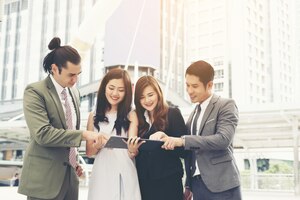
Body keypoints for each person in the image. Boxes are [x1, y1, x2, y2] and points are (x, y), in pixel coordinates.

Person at [18, 37, 104, 200]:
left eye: (78, 74)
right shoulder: (35, 92)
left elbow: (67, 133)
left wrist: (74, 162)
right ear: (54, 68)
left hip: (70, 179)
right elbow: (42, 134)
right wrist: (83, 135)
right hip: (44, 181)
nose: (75, 80)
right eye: (71, 75)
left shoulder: (75, 93)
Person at [153, 60, 242, 200]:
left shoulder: (225, 105)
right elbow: (191, 151)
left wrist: (181, 141)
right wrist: (188, 185)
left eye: (194, 86)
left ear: (210, 85)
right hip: (198, 186)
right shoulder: (194, 113)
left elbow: (223, 139)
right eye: (187, 85)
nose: (189, 91)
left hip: (222, 185)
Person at [128, 75, 187, 200]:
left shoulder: (172, 114)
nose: (147, 100)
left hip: (168, 182)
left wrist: (168, 139)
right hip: (144, 183)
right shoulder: (138, 120)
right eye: (142, 97)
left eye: (150, 95)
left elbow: (185, 151)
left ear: (158, 93)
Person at [86, 68, 141, 200]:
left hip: (125, 170)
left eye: (121, 90)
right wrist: (98, 144)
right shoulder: (93, 116)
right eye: (111, 88)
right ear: (104, 87)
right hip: (102, 171)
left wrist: (133, 150)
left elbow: (132, 151)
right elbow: (89, 152)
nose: (115, 93)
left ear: (127, 93)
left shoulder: (131, 115)